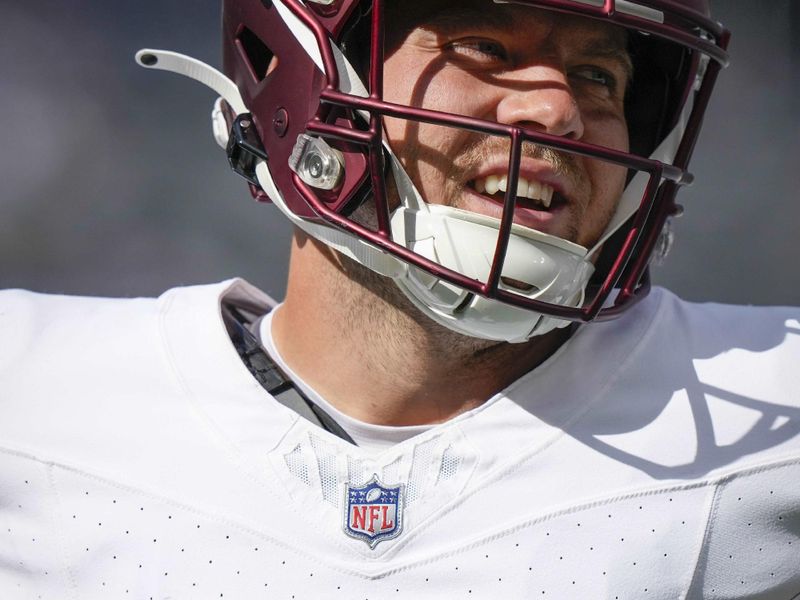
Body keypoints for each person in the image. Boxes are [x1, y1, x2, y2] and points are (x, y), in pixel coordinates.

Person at [1, 0, 798, 597]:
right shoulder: (31, 399)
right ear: (304, 84)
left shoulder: (772, 410)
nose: (556, 109)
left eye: (599, 76)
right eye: (485, 46)